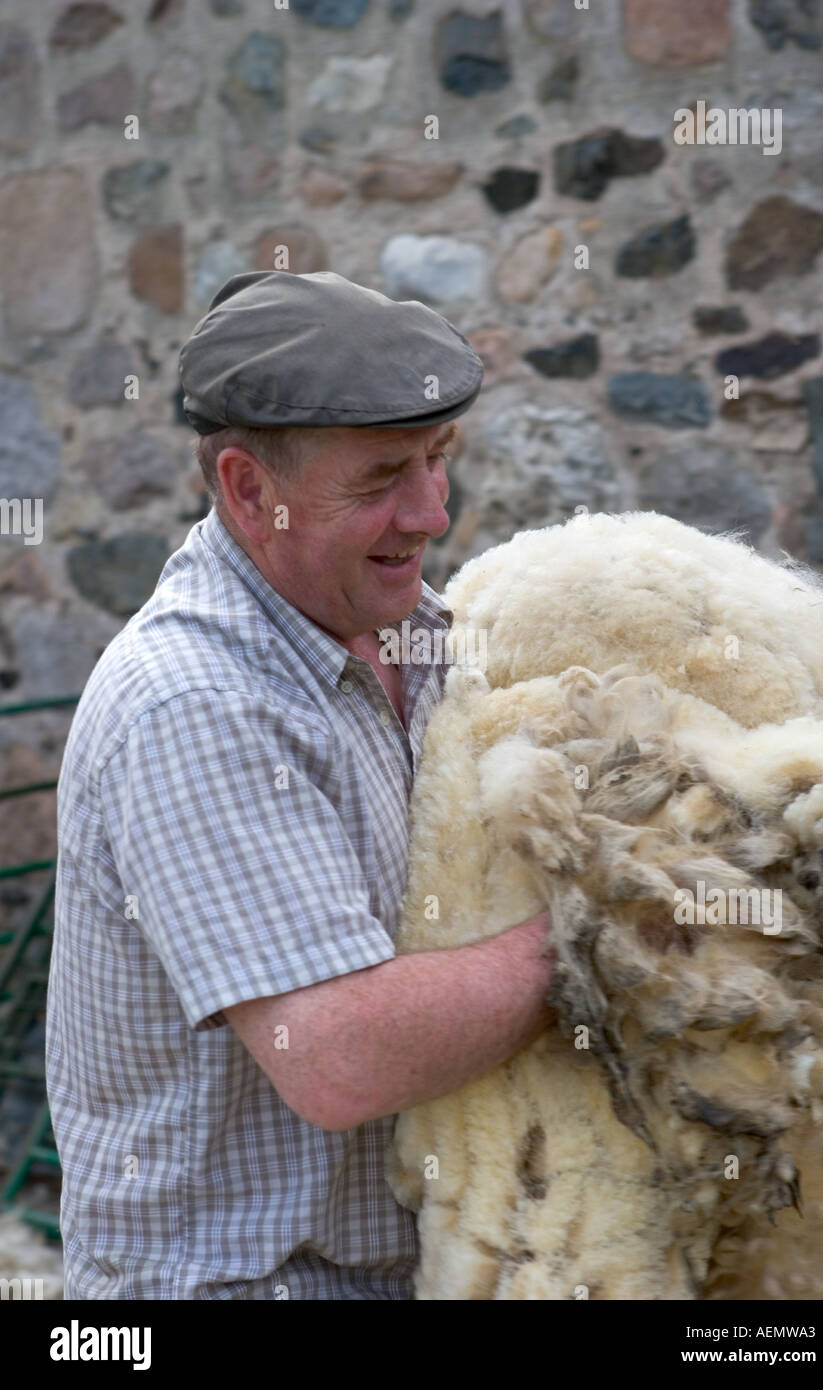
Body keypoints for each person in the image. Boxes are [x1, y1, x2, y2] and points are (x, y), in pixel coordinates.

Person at [45, 270, 554, 1300]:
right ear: (246, 488)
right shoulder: (190, 703)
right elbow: (336, 1056)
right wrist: (614, 920)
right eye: (378, 480)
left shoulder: (423, 631)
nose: (429, 512)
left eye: (436, 461)